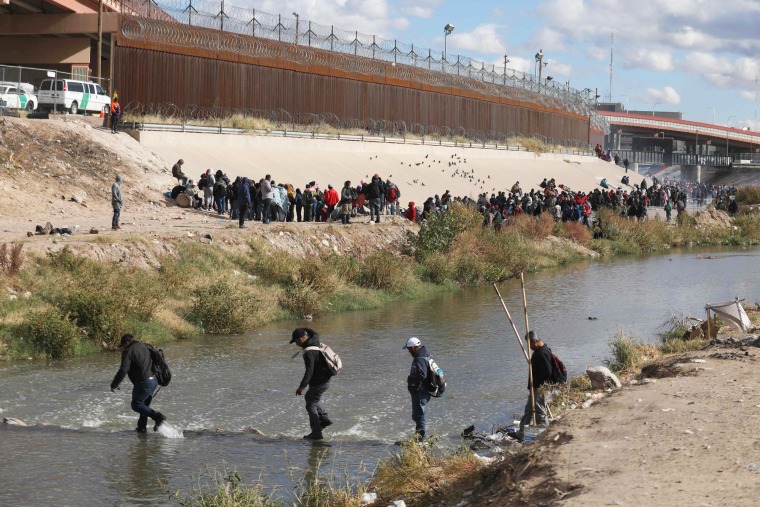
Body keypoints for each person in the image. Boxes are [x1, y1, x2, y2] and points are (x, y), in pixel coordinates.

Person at [110, 334, 166, 433]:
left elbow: (123, 369)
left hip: (144, 382)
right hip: (154, 380)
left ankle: (157, 417)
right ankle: (142, 428)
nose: (123, 347)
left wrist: (114, 384)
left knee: (136, 405)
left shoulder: (128, 351)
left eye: (123, 345)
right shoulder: (146, 346)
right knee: (143, 406)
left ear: (127, 343)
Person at [290, 328, 333, 440]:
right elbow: (315, 332)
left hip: (320, 382)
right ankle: (324, 418)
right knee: (310, 398)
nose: (296, 344)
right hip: (325, 379)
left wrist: (301, 387)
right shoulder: (315, 340)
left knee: (310, 405)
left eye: (296, 341)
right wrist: (304, 328)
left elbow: (309, 371)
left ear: (300, 339)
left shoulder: (309, 352)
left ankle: (316, 433)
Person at [514, 331, 553, 441]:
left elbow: (548, 372)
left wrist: (538, 386)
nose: (529, 347)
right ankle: (521, 434)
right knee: (529, 410)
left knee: (540, 412)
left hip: (540, 388)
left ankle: (546, 433)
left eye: (530, 344)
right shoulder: (541, 351)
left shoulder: (542, 353)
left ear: (535, 341)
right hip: (536, 388)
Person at [404, 337, 432, 440]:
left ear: (414, 347)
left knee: (419, 416)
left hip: (421, 391)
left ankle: (421, 439)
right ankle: (418, 437)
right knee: (417, 416)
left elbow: (422, 375)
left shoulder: (420, 358)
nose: (409, 351)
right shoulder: (425, 355)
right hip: (421, 391)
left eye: (409, 349)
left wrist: (411, 378)